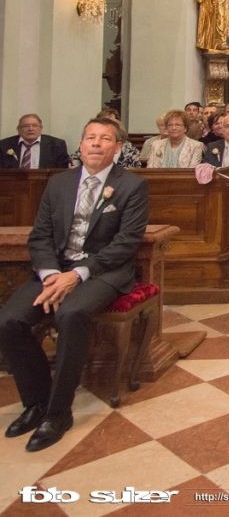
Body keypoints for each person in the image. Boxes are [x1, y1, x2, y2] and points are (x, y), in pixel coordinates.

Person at [0, 117, 149, 451]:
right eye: (90, 138)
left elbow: (126, 243)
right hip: (56, 269)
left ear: (118, 147)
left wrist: (77, 274)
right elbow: (40, 235)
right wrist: (51, 274)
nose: (96, 143)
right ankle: (36, 401)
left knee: (71, 313)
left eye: (104, 138)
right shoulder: (58, 183)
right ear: (80, 145)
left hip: (103, 271)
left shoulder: (132, 186)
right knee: (9, 321)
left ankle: (58, 411)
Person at [0, 113, 70, 169]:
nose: (30, 129)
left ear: (41, 128)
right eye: (26, 126)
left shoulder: (57, 145)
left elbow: (62, 171)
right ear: (18, 129)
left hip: (46, 184)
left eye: (35, 125)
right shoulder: (4, 145)